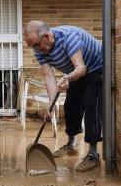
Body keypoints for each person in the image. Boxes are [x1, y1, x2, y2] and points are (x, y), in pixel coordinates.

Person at [24, 20, 103, 172]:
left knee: (91, 105)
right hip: (76, 72)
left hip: (96, 67)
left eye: (36, 45)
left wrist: (68, 78)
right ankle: (71, 144)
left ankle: (93, 154)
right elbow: (49, 76)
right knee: (70, 105)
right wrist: (51, 105)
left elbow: (81, 68)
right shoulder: (40, 49)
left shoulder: (68, 37)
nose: (35, 50)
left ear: (47, 36)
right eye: (32, 46)